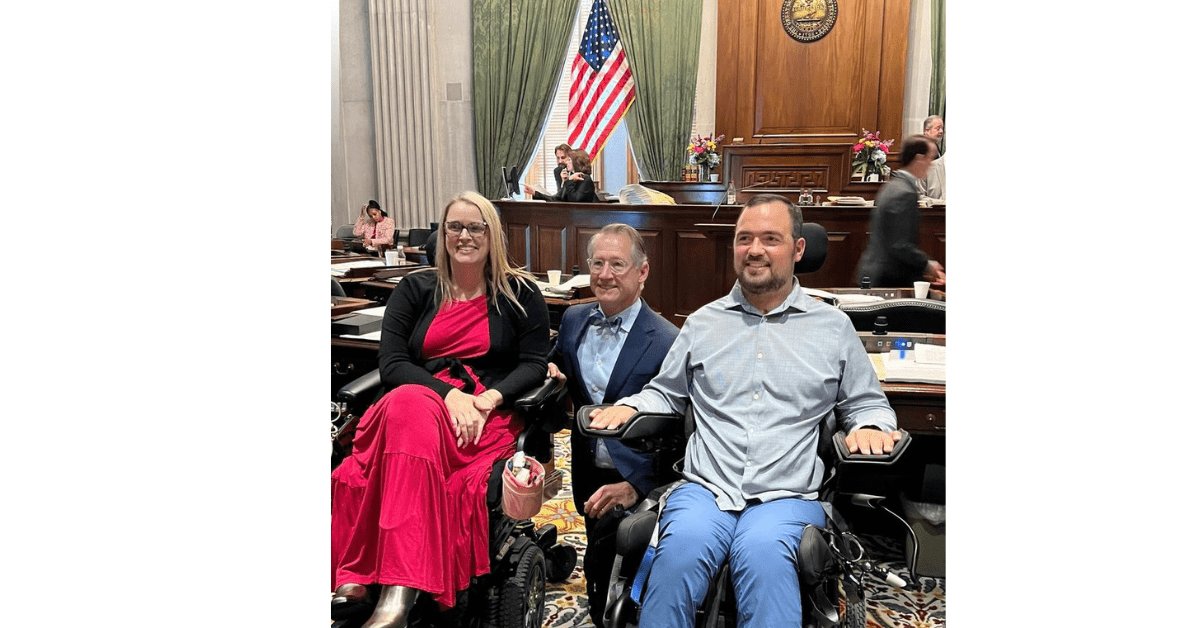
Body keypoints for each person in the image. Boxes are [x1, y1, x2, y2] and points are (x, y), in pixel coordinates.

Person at [587, 194, 903, 628]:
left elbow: (866, 402)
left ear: (797, 250)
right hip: (704, 489)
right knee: (677, 557)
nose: (754, 249)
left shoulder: (832, 328)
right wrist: (629, 407)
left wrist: (870, 426)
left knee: (764, 558)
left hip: (786, 495)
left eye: (770, 238)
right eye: (744, 239)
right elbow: (666, 393)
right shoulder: (703, 323)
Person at [331, 191, 550, 628]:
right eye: (455, 227)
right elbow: (392, 364)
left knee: (392, 447)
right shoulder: (415, 288)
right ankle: (396, 587)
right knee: (406, 410)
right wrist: (447, 395)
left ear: (493, 235)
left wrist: (489, 398)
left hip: (485, 416)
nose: (464, 236)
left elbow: (533, 364)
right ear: (442, 233)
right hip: (416, 399)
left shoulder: (520, 292)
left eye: (475, 227)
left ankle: (382, 586)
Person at [546, 223, 679, 627]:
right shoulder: (573, 319)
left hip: (640, 479)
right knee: (597, 559)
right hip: (587, 467)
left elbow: (682, 433)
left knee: (635, 570)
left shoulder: (668, 340)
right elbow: (556, 366)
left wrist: (638, 485)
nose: (605, 274)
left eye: (618, 264)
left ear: (642, 272)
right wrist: (549, 369)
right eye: (598, 263)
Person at [854, 135, 947, 288]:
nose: (931, 165)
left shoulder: (893, 185)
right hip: (887, 278)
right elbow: (899, 244)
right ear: (919, 159)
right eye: (930, 159)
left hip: (878, 272)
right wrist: (928, 265)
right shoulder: (904, 192)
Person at [916, 115, 946, 202]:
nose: (941, 131)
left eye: (942, 128)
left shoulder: (936, 146)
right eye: (937, 128)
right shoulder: (921, 147)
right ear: (927, 131)